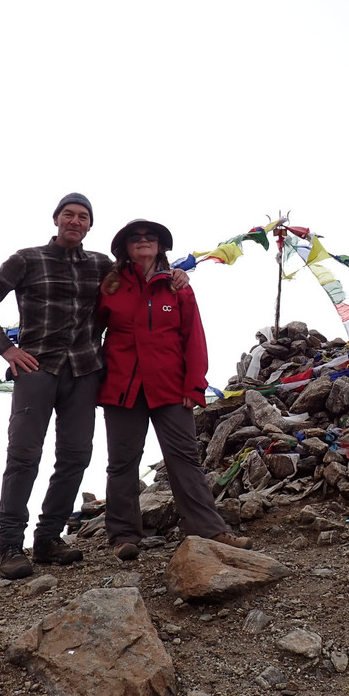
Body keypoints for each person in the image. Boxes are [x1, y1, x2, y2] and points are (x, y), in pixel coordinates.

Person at [0, 193, 111, 580]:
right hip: (36, 369)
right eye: (69, 214)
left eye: (83, 216)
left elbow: (140, 286)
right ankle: (10, 545)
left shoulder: (102, 265)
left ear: (89, 225)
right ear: (56, 219)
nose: (75, 221)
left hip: (84, 370)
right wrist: (6, 348)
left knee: (76, 455)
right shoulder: (27, 259)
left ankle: (48, 538)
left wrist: (176, 273)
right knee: (23, 456)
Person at [98, 218, 252, 559]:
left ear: (160, 245)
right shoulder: (108, 286)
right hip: (122, 387)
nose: (143, 240)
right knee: (122, 462)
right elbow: (91, 334)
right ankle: (123, 537)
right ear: (124, 247)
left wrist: (194, 385)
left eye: (149, 236)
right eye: (135, 237)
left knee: (185, 459)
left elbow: (193, 338)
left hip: (170, 387)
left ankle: (210, 530)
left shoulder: (178, 286)